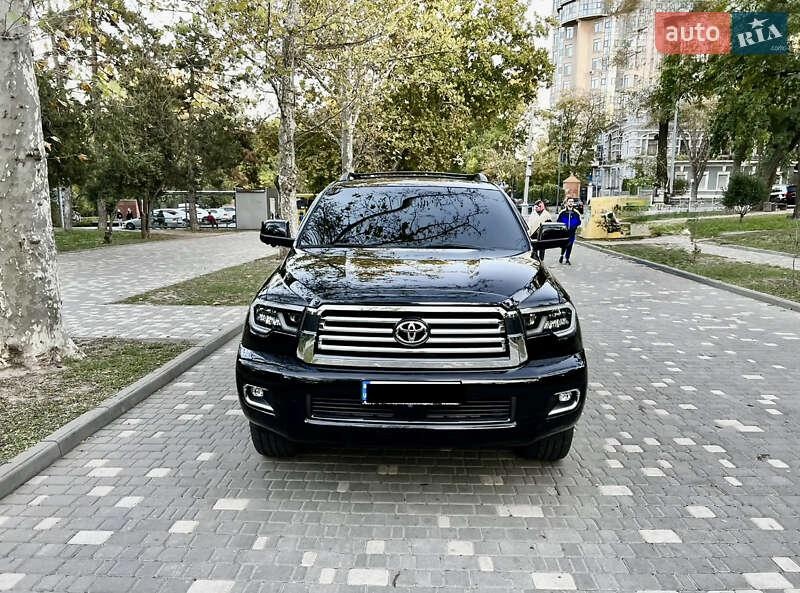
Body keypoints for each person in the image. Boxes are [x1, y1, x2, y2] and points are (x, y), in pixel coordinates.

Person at [556, 197, 582, 265]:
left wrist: (575, 226)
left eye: (572, 202)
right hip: (564, 232)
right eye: (570, 201)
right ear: (567, 203)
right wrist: (562, 228)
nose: (571, 203)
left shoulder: (576, 213)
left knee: (570, 245)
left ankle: (567, 258)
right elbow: (558, 221)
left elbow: (579, 222)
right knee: (564, 245)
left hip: (572, 232)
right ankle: (562, 255)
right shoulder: (562, 212)